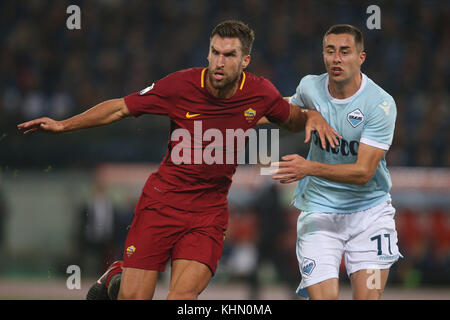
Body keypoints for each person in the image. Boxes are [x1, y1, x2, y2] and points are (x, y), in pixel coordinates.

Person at [17, 20, 338, 300]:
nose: (219, 62)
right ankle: (120, 275)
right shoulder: (180, 85)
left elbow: (289, 118)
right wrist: (64, 124)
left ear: (245, 61)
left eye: (228, 55)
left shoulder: (260, 93)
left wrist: (311, 116)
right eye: (215, 52)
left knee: (182, 296)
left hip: (208, 213)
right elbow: (120, 108)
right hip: (161, 203)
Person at [270, 24, 403, 300]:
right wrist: (234, 116)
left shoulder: (380, 105)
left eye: (345, 51)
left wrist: (309, 168)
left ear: (361, 57)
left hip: (370, 214)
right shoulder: (310, 87)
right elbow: (285, 111)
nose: (336, 59)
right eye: (330, 51)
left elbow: (363, 172)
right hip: (319, 212)